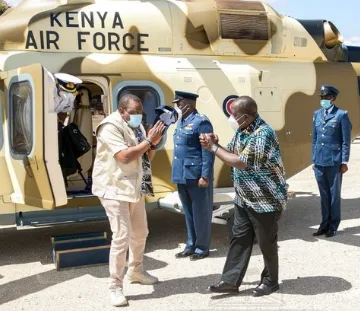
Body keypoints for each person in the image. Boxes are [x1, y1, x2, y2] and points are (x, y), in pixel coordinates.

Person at [200, 96, 288, 296]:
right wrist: (215, 144)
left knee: (266, 243)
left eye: (235, 115)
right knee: (239, 238)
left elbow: (240, 161)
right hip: (244, 198)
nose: (231, 118)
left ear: (247, 116)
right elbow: (230, 151)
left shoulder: (263, 134)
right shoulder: (243, 129)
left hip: (265, 200)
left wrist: (213, 149)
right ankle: (230, 281)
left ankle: (271, 281)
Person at [92, 94, 165, 307]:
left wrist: (152, 145)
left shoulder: (137, 126)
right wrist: (149, 141)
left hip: (133, 187)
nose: (138, 116)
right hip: (113, 188)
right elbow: (123, 156)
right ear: (122, 110)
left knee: (141, 233)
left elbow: (144, 157)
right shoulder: (109, 127)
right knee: (121, 236)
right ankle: (115, 285)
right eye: (133, 112)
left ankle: (136, 271)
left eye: (140, 112)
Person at [171, 91, 215, 260]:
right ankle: (191, 245)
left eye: (179, 104)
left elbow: (207, 151)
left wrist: (205, 176)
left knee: (200, 213)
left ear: (187, 105)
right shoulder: (181, 121)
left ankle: (202, 248)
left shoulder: (201, 122)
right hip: (182, 174)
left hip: (196, 175)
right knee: (188, 212)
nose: (177, 107)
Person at [312, 85, 352, 238]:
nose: (323, 100)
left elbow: (345, 141)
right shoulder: (317, 114)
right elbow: (315, 140)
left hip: (334, 161)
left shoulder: (341, 115)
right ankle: (324, 224)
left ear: (333, 99)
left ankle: (333, 225)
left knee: (334, 195)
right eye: (322, 98)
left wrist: (344, 161)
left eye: (326, 98)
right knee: (323, 195)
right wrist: (314, 159)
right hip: (320, 161)